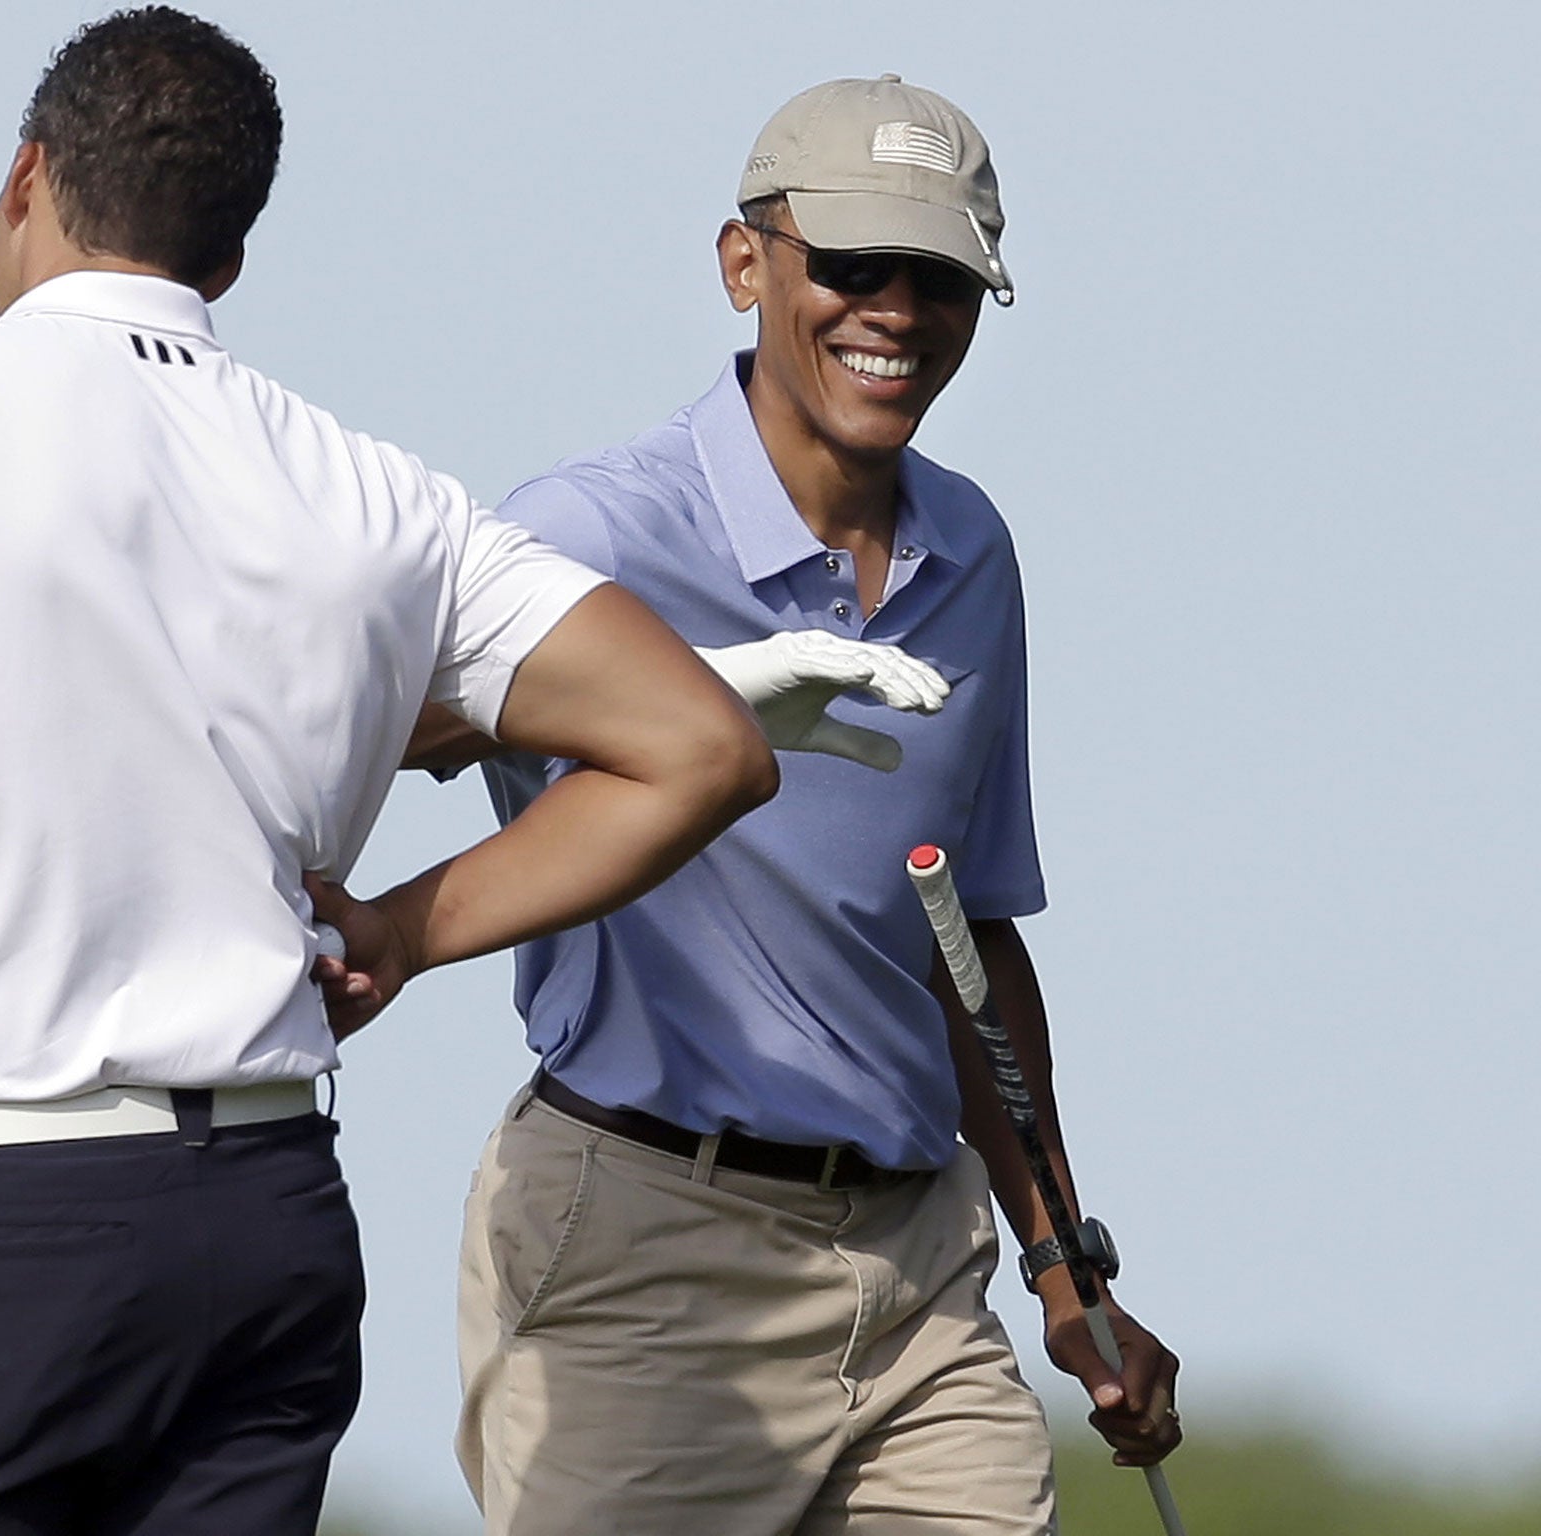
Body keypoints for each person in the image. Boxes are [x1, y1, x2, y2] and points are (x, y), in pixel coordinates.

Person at [0, 11, 792, 1535]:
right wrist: (405, 931)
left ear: (24, 176)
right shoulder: (380, 494)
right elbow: (703, 745)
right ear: (223, 262)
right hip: (268, 1229)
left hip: (0, 1232)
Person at [410, 76, 1184, 1535]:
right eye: (850, 265)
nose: (894, 309)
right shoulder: (594, 527)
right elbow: (391, 725)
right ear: (744, 263)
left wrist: (1068, 1276)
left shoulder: (973, 551)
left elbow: (967, 940)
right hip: (645, 1245)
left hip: (917, 1269)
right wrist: (692, 694)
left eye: (940, 276)